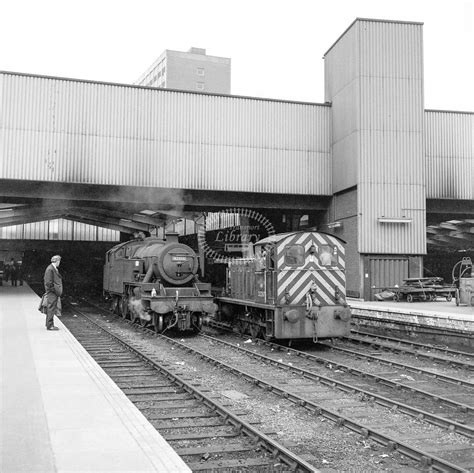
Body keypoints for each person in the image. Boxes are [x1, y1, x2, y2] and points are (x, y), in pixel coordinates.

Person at [43, 255, 63, 331]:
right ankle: (50, 326)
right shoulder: (50, 269)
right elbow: (48, 282)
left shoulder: (52, 268)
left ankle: (50, 324)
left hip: (53, 292)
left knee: (51, 308)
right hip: (52, 293)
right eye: (59, 261)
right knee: (51, 308)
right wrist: (54, 290)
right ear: (57, 261)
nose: (59, 263)